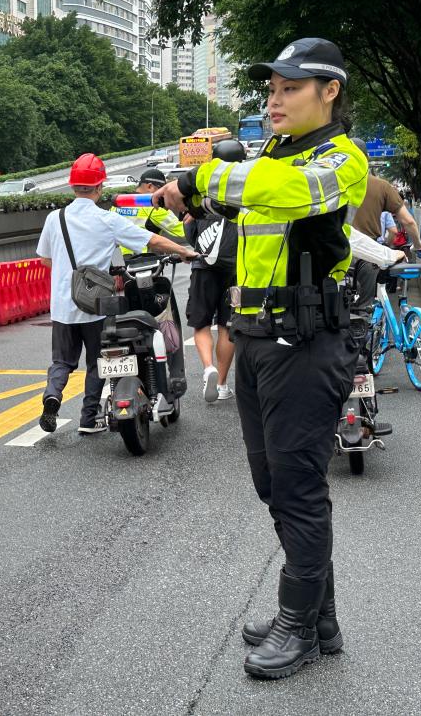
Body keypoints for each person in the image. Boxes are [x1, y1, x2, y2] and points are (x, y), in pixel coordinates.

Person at [152, 38, 368, 680]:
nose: (274, 100)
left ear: (329, 91)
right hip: (254, 338)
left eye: (290, 88)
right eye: (271, 89)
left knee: (299, 490)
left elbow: (283, 190)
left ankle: (298, 624)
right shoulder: (271, 154)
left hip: (306, 343)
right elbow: (241, 197)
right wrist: (197, 196)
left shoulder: (341, 159)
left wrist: (196, 178)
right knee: (273, 485)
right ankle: (320, 619)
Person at [37, 153, 196, 435]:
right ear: (99, 187)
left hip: (62, 305)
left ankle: (52, 395)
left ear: (72, 186)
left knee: (61, 361)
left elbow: (46, 260)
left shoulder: (54, 219)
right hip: (96, 306)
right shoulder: (106, 219)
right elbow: (151, 240)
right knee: (98, 362)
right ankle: (88, 419)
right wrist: (183, 251)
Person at [183, 139, 243, 403]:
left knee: (201, 323)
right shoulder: (246, 190)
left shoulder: (203, 190)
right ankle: (221, 385)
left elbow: (189, 231)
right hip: (236, 267)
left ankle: (208, 367)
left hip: (204, 265)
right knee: (226, 327)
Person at [111, 168, 187, 255]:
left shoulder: (119, 203)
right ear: (150, 186)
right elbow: (182, 231)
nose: (163, 195)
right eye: (161, 190)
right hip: (141, 260)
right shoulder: (154, 207)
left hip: (116, 259)